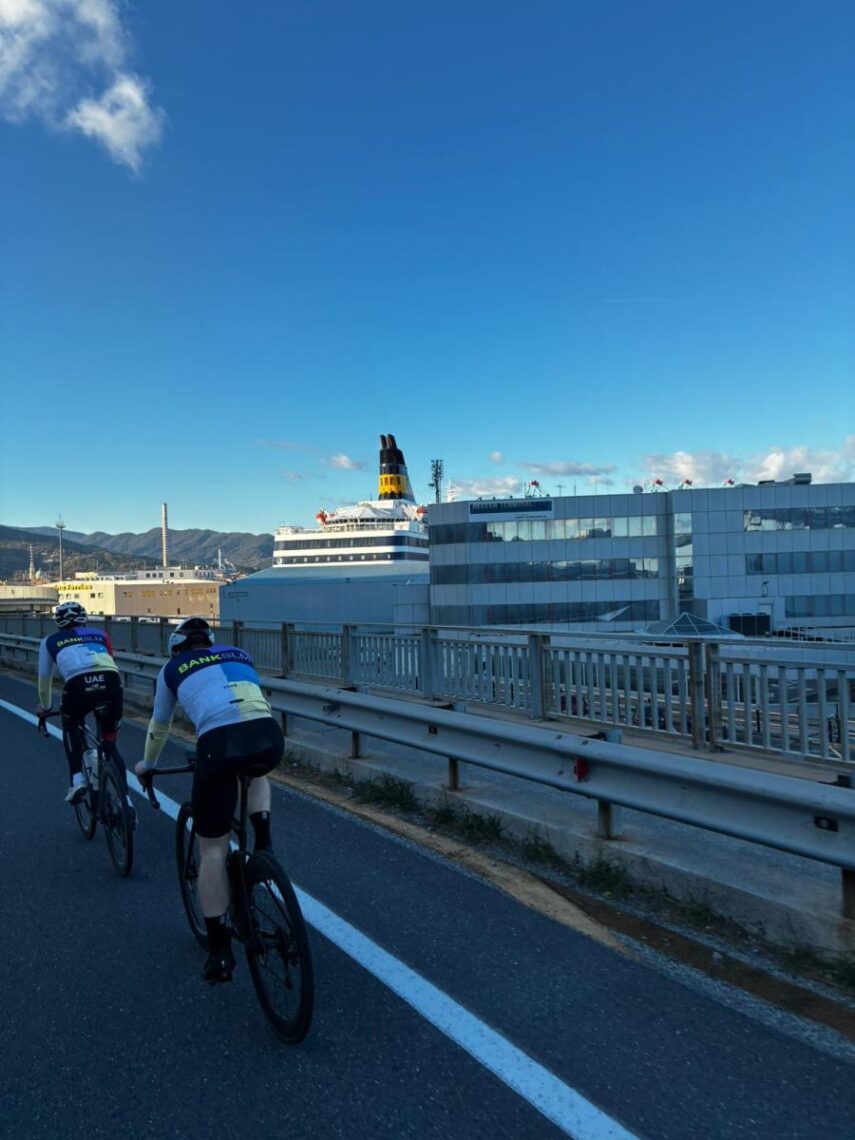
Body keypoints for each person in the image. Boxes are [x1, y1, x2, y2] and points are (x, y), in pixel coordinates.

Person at [135, 616, 284, 984]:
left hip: (218, 744)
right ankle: (264, 844)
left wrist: (147, 766)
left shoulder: (171, 669)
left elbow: (160, 725)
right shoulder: (239, 654)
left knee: (213, 850)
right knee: (256, 770)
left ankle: (219, 951)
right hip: (268, 734)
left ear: (176, 648)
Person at [36, 601, 125, 804]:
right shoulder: (101, 634)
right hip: (111, 683)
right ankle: (127, 804)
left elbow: (44, 681)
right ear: (84, 619)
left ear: (58, 622)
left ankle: (76, 780)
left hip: (78, 686)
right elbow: (109, 662)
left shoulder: (49, 641)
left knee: (70, 723)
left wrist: (46, 707)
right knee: (110, 746)